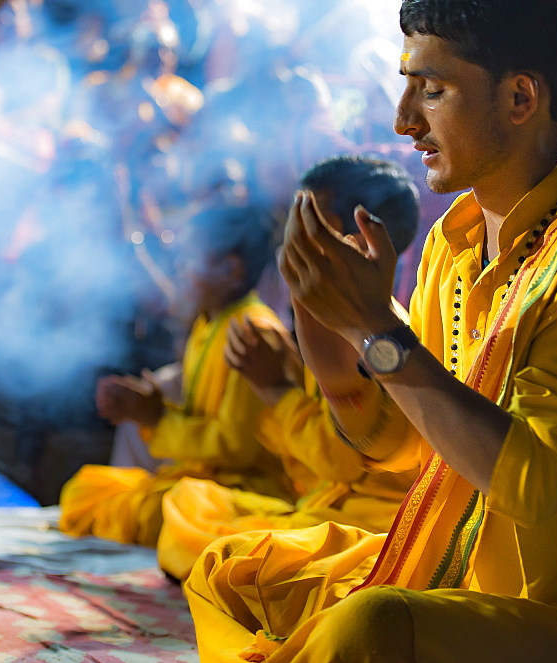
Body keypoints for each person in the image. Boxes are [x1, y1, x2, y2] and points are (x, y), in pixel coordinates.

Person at [184, 1, 557, 663]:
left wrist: (375, 326)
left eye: (432, 91)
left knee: (371, 626)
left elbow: (538, 483)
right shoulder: (455, 240)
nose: (403, 119)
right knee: (237, 567)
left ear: (520, 96)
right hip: (467, 585)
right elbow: (403, 447)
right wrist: (326, 317)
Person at [156, 155, 422, 582]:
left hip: (367, 526)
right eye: (293, 223)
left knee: (226, 553)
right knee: (189, 503)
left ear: (362, 238)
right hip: (316, 508)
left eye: (311, 224)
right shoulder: (313, 319)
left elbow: (342, 464)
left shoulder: (386, 338)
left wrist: (276, 393)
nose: (291, 240)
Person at [58, 205, 297, 548]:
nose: (179, 270)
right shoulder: (209, 324)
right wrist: (152, 407)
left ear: (230, 269)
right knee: (87, 489)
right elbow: (201, 419)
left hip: (245, 488)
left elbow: (236, 449)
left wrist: (156, 419)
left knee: (154, 511)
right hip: (200, 483)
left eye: (189, 259)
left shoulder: (253, 334)